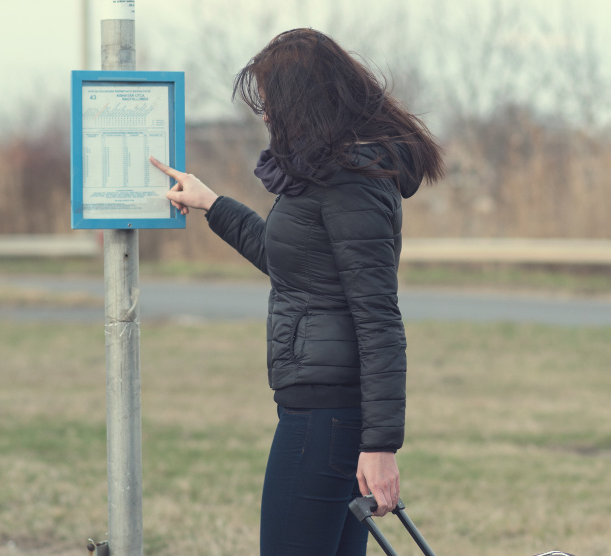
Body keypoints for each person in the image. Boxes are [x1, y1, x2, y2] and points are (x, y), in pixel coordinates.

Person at [150, 28, 444, 556]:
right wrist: (211, 202)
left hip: (326, 419)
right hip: (323, 413)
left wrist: (380, 446)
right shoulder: (325, 173)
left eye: (270, 101)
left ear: (303, 100)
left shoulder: (348, 182)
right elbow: (289, 261)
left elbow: (379, 318)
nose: (265, 115)